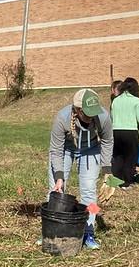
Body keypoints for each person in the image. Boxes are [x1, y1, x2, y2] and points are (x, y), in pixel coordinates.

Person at [48, 89, 113, 250]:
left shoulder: (103, 117)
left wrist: (108, 174)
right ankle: (52, 232)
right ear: (77, 110)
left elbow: (107, 142)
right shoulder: (62, 118)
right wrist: (59, 177)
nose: (91, 117)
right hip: (65, 149)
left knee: (89, 191)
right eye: (87, 113)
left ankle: (89, 231)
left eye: (94, 112)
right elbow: (56, 150)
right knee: (56, 191)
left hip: (91, 150)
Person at [111, 77, 139, 188]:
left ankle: (116, 181)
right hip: (130, 133)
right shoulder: (136, 100)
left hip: (116, 132)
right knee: (130, 157)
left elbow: (112, 117)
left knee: (118, 157)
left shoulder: (116, 100)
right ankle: (127, 182)